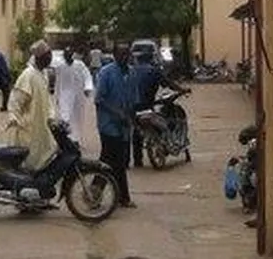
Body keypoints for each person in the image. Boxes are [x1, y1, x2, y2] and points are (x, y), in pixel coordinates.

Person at [94, 43, 138, 208]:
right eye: (121, 54)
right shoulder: (106, 73)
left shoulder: (132, 73)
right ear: (114, 55)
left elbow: (133, 99)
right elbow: (99, 99)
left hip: (124, 127)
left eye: (127, 54)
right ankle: (99, 194)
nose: (125, 57)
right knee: (111, 160)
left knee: (117, 161)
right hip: (108, 125)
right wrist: (117, 113)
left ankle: (117, 196)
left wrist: (132, 118)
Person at [129, 50, 189, 168]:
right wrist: (181, 90)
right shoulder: (154, 71)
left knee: (136, 132)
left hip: (133, 108)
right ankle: (165, 144)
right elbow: (168, 83)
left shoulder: (131, 71)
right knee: (162, 123)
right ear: (151, 60)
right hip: (147, 105)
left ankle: (137, 160)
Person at [5, 39, 57, 172]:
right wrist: (13, 117)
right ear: (40, 57)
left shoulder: (43, 74)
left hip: (42, 126)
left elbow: (47, 100)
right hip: (29, 128)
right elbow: (16, 101)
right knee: (28, 160)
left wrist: (51, 116)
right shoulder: (28, 75)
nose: (50, 58)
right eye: (48, 55)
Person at [53, 46, 94, 144]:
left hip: (78, 96)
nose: (68, 56)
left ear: (72, 55)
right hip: (64, 96)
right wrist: (57, 96)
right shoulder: (60, 67)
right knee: (65, 117)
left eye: (69, 54)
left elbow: (87, 76)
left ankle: (76, 139)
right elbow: (57, 82)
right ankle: (67, 139)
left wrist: (87, 88)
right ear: (64, 56)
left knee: (78, 118)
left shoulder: (80, 65)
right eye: (66, 54)